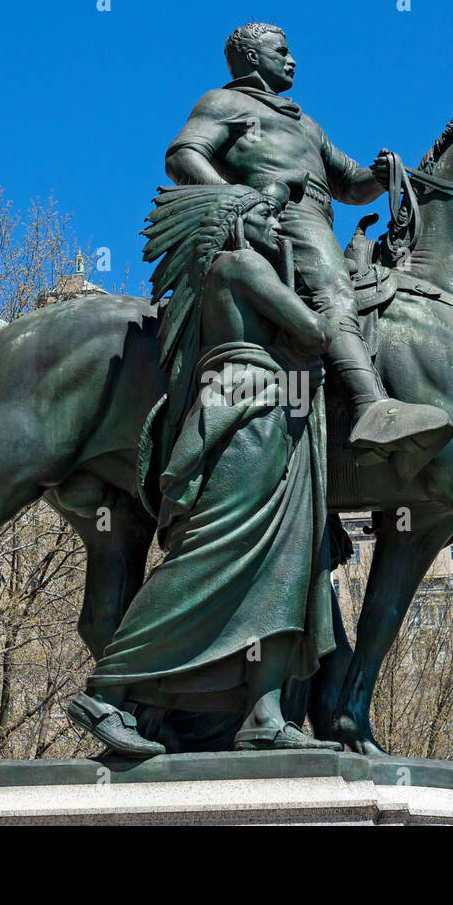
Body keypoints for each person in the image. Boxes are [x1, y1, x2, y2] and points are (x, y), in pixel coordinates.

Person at [65, 182, 342, 756]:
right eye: (266, 216)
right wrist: (331, 299)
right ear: (237, 224)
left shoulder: (244, 265)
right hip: (248, 409)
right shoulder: (239, 265)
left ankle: (264, 712)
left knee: (283, 561)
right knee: (210, 555)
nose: (278, 227)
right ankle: (108, 691)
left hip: (275, 412)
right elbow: (315, 333)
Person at [164, 22, 453, 471]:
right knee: (333, 289)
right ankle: (369, 406)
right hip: (282, 214)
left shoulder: (305, 124)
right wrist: (241, 203)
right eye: (281, 50)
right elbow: (183, 156)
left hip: (318, 218)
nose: (292, 58)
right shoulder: (224, 102)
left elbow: (350, 185)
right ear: (254, 58)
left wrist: (378, 175)